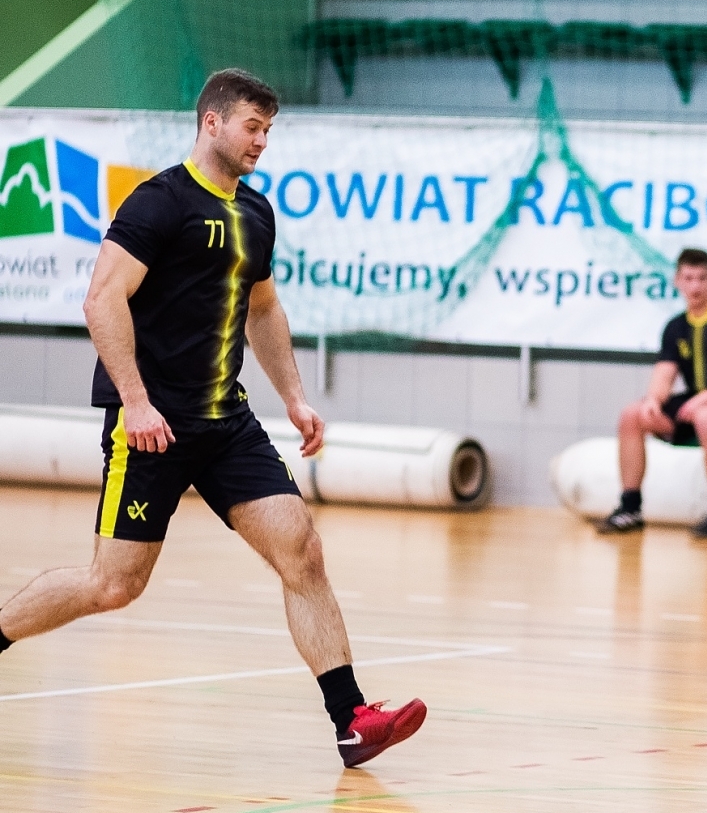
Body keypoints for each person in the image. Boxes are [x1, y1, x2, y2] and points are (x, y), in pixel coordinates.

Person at [0, 69, 425, 768]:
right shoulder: (158, 203)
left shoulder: (257, 213)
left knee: (303, 549)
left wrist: (293, 397)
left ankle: (352, 719)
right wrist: (135, 403)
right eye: (252, 126)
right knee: (114, 585)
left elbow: (261, 307)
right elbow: (102, 300)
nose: (262, 141)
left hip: (226, 423)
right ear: (213, 123)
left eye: (268, 130)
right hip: (152, 425)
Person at [599, 249, 707, 540]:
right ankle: (629, 507)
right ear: (677, 282)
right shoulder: (675, 327)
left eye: (701, 279)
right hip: (700, 402)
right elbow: (664, 374)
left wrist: (705, 398)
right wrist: (654, 400)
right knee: (633, 414)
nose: (695, 286)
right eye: (688, 278)